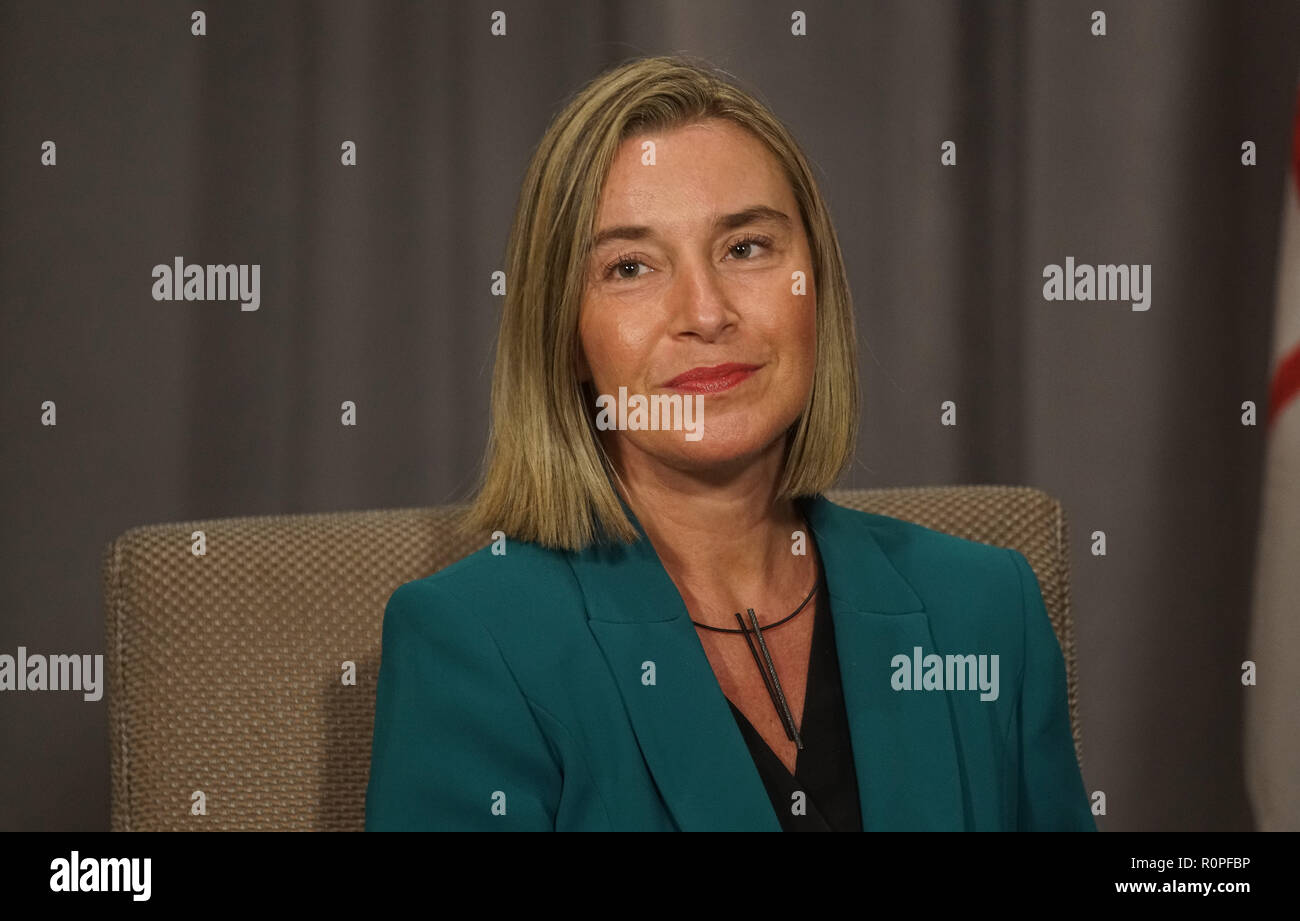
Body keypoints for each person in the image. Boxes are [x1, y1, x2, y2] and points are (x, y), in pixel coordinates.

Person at [364, 54, 1095, 831]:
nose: (706, 313)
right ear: (566, 336)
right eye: (631, 266)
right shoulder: (475, 646)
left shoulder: (983, 610)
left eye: (746, 247)